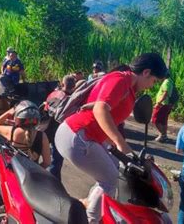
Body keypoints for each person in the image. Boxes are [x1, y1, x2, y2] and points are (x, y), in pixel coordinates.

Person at [55, 53, 168, 223]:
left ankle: (90, 205)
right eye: (154, 81)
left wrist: (123, 152)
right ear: (146, 72)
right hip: (77, 134)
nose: (151, 86)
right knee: (110, 178)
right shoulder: (122, 80)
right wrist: (120, 143)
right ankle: (91, 220)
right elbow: (100, 109)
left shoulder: (128, 87)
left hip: (84, 136)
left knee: (117, 169)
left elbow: (105, 112)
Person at [0, 100, 51, 168]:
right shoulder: (42, 136)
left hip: (12, 169)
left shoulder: (13, 131)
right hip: (29, 174)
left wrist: (9, 112)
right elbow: (47, 162)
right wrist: (34, 171)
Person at [44, 74, 76, 180]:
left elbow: (45, 107)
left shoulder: (54, 94)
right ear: (74, 86)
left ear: (63, 84)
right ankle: (53, 182)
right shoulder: (72, 101)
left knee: (39, 151)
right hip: (60, 132)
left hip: (46, 128)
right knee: (56, 161)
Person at [152, 71, 175, 143]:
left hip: (162, 104)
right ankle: (164, 136)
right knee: (163, 121)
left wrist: (158, 103)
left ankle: (162, 135)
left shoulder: (166, 82)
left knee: (155, 120)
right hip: (166, 104)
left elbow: (165, 93)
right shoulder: (170, 81)